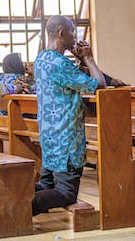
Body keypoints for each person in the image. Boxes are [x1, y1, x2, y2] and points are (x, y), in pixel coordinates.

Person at [32, 15, 106, 216]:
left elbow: (78, 79)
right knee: (66, 193)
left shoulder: (41, 59)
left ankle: (13, 197)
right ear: (62, 33)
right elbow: (99, 85)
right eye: (73, 31)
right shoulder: (60, 63)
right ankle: (19, 208)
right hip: (65, 138)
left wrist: (78, 59)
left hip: (49, 135)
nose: (76, 36)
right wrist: (89, 58)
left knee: (46, 184)